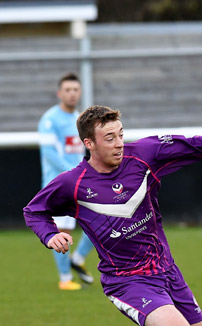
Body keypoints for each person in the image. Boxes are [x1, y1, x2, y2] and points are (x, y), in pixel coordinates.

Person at [25, 105, 202, 326]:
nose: (119, 144)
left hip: (168, 270)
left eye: (120, 135)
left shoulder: (144, 154)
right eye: (109, 138)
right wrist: (50, 235)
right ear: (89, 143)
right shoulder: (71, 183)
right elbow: (34, 211)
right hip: (127, 282)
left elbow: (194, 144)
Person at [38, 72, 95, 290]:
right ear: (59, 93)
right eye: (68, 90)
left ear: (80, 92)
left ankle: (78, 259)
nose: (72, 94)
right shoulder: (49, 119)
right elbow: (50, 153)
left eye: (76, 90)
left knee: (101, 222)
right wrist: (73, 172)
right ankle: (65, 279)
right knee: (63, 233)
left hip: (81, 182)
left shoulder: (78, 119)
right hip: (59, 186)